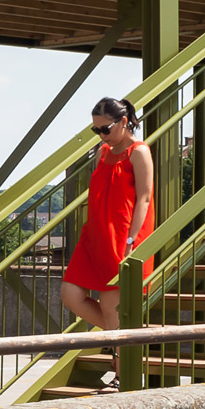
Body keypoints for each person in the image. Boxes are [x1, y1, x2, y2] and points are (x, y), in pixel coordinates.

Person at [60, 98, 155, 347]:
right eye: (96, 130)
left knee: (112, 309)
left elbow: (145, 199)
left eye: (105, 129)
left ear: (123, 121)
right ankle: (128, 338)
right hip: (95, 236)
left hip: (121, 238)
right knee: (70, 295)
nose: (102, 135)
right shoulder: (102, 152)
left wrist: (131, 241)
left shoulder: (139, 152)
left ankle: (123, 361)